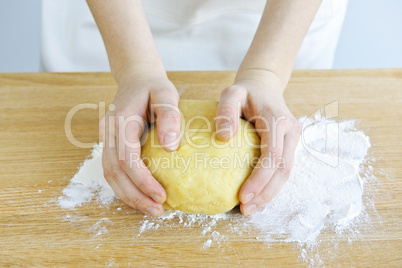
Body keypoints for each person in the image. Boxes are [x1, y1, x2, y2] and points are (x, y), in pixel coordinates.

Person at [41, 0, 348, 217]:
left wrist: (266, 73)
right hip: (115, 19)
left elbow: (269, 73)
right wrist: (134, 67)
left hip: (278, 21)